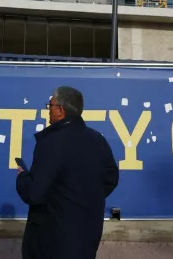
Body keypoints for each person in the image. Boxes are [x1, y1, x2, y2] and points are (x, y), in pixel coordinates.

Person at [16, 86, 119, 259]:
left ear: (60, 110)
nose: (48, 111)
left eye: (50, 106)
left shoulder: (51, 142)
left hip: (53, 239)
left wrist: (22, 177)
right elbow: (111, 178)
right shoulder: (97, 139)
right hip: (87, 235)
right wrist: (87, 197)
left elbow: (34, 193)